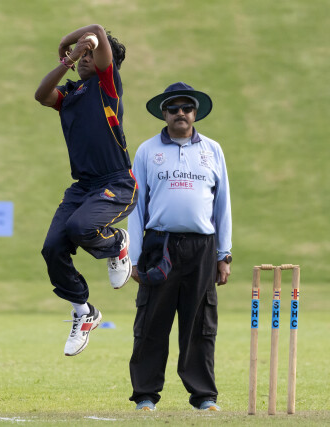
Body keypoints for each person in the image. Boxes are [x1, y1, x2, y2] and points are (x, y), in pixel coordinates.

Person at [127, 82, 232, 411]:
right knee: (151, 322)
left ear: (195, 113)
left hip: (202, 247)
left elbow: (223, 205)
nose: (180, 113)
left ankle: (204, 396)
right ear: (164, 114)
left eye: (187, 108)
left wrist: (224, 255)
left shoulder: (213, 150)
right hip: (159, 245)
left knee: (200, 324)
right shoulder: (147, 151)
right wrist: (132, 258)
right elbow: (135, 207)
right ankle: (145, 395)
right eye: (173, 108)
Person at [34, 25, 137, 357]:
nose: (84, 59)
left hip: (116, 182)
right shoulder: (69, 94)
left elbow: (95, 29)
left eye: (91, 54)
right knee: (52, 248)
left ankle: (117, 243)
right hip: (82, 188)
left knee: (81, 227)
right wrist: (68, 57)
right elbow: (41, 95)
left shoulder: (107, 84)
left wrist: (73, 42)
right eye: (82, 56)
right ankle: (84, 311)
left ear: (106, 62)